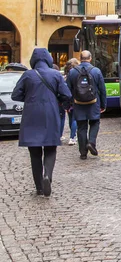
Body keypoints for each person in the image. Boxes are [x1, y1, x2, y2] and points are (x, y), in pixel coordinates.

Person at [11, 48, 71, 196]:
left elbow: (15, 95)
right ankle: (47, 176)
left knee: (34, 152)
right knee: (50, 148)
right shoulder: (56, 75)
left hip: (31, 115)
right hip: (50, 114)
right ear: (49, 60)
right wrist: (59, 102)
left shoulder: (27, 75)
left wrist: (29, 96)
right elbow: (67, 95)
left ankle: (39, 187)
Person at [67, 50, 107, 160]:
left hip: (78, 103)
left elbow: (68, 90)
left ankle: (83, 153)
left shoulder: (72, 72)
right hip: (93, 103)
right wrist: (103, 105)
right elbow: (102, 90)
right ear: (90, 58)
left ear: (80, 59)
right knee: (95, 122)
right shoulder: (96, 71)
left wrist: (69, 105)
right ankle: (91, 142)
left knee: (81, 127)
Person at [64, 58, 80, 145]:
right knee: (74, 119)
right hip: (76, 99)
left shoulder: (66, 76)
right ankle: (72, 137)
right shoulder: (78, 74)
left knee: (71, 118)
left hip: (69, 99)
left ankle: (72, 135)